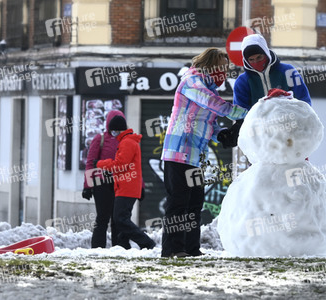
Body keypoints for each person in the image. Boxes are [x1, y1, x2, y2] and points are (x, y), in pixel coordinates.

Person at [160, 47, 248, 258]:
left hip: (196, 157)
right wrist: (246, 113)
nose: (224, 74)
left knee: (194, 205)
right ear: (210, 65)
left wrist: (222, 135)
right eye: (221, 68)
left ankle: (191, 249)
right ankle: (172, 250)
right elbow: (211, 103)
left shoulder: (210, 89)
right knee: (178, 204)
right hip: (178, 152)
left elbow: (209, 124)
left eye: (226, 70)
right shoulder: (191, 81)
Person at [219, 33, 312, 148]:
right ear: (246, 60)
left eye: (259, 57)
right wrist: (236, 132)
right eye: (251, 60)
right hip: (261, 142)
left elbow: (304, 102)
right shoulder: (242, 82)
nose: (256, 62)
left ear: (266, 53)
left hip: (291, 136)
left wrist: (304, 124)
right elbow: (242, 114)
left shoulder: (288, 72)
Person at [96, 116, 155, 250]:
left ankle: (146, 242)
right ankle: (123, 245)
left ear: (117, 130)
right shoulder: (127, 141)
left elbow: (120, 164)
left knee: (120, 219)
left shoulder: (127, 142)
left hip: (127, 187)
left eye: (112, 131)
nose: (111, 134)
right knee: (122, 218)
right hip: (125, 186)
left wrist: (100, 164)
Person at [82, 110, 124, 249]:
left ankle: (118, 249)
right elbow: (90, 163)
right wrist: (87, 186)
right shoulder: (99, 139)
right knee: (102, 218)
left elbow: (134, 165)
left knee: (117, 219)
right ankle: (98, 248)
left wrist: (140, 186)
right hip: (102, 184)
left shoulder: (126, 140)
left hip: (120, 184)